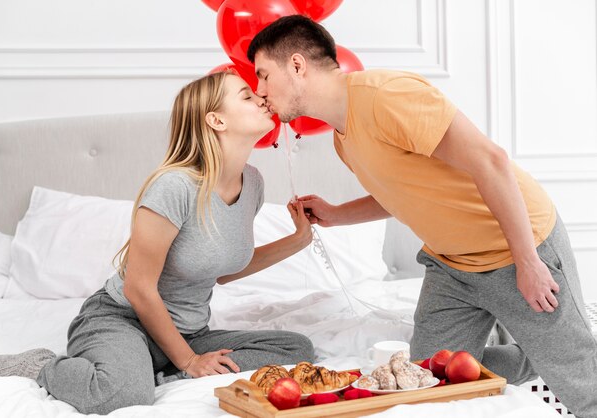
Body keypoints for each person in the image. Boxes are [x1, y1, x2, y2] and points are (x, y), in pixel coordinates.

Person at [247, 14, 597, 418]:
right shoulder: (343, 140)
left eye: (263, 75)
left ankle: (551, 352)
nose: (260, 91)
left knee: (582, 386)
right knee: (426, 384)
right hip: (450, 268)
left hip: (516, 248)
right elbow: (401, 193)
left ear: (296, 65)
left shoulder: (387, 96)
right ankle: (532, 355)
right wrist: (336, 214)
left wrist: (529, 262)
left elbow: (491, 161)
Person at [0, 71, 315, 415]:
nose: (260, 97)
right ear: (216, 120)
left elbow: (220, 270)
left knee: (295, 348)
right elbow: (138, 288)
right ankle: (43, 365)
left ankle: (154, 366)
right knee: (120, 396)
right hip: (123, 319)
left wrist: (297, 240)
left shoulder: (252, 183)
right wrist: (190, 360)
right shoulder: (174, 186)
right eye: (245, 95)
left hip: (189, 331)